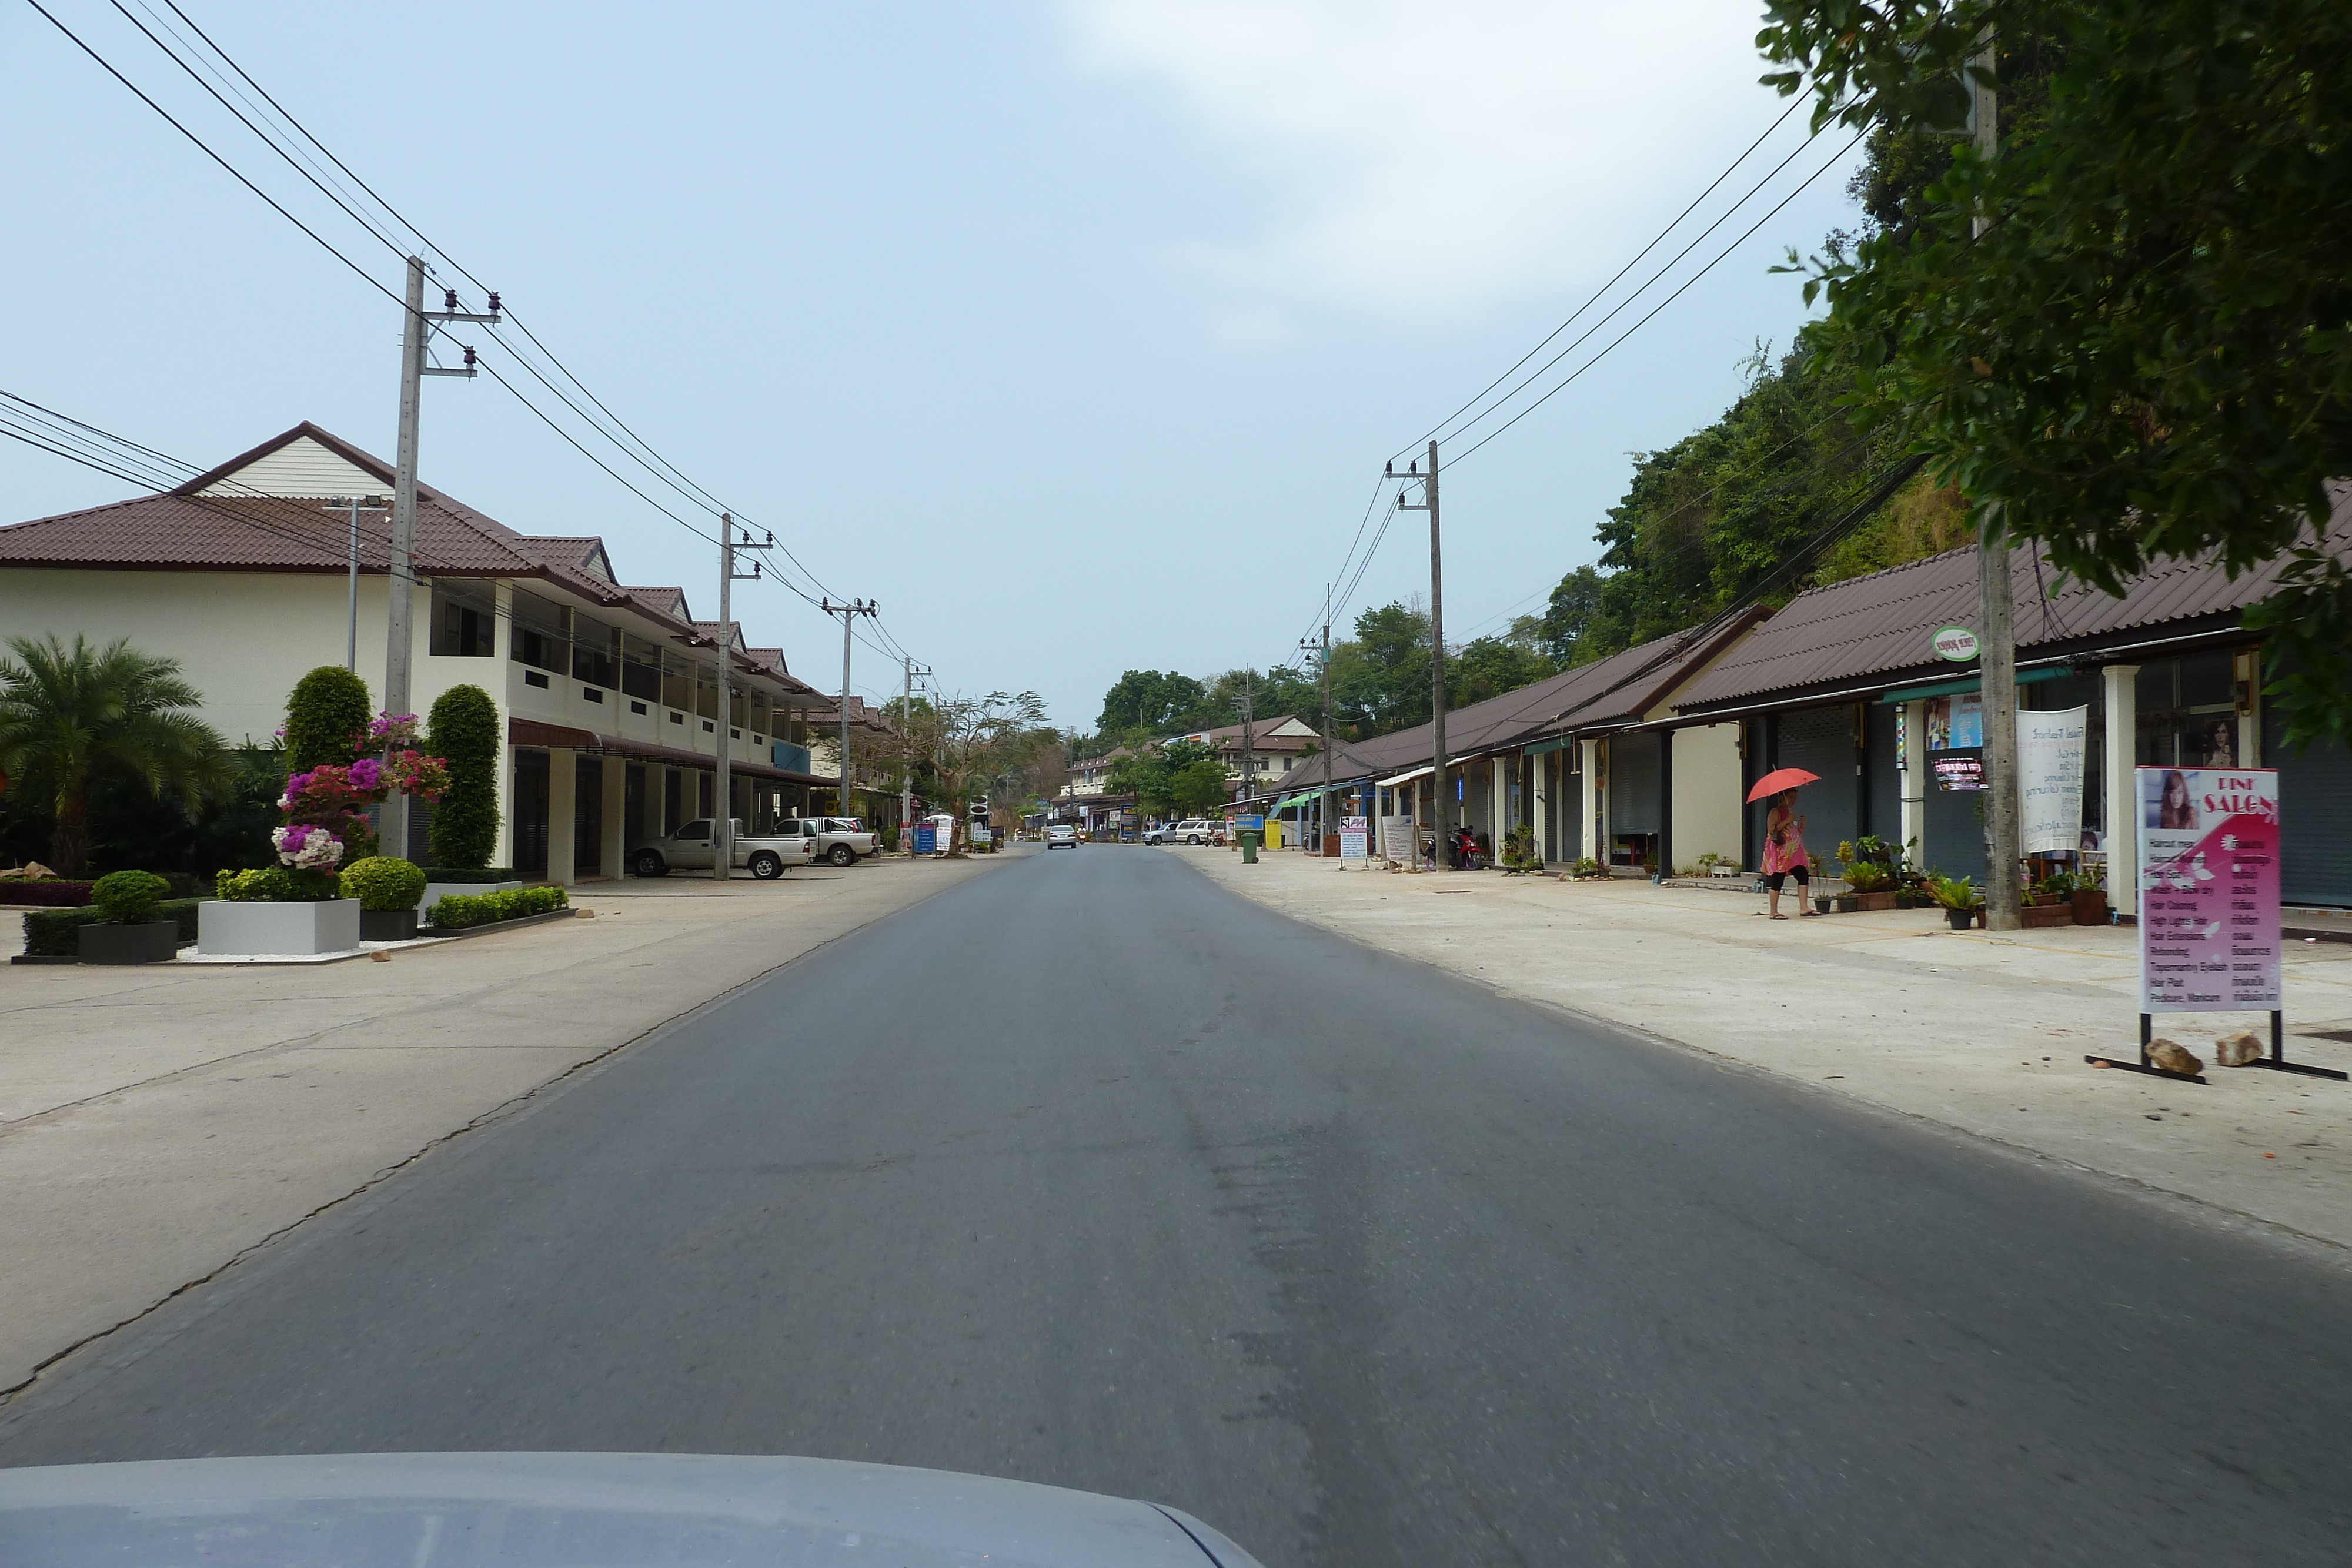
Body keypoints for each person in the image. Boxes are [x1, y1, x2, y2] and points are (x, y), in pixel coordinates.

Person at [1763, 789, 1817, 918]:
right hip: (1780, 852)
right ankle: (1773, 911)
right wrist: (1787, 820)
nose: (1793, 801)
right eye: (1791, 797)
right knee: (1778, 879)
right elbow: (1772, 831)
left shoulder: (1790, 813)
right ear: (1782, 798)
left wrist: (1802, 826)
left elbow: (1792, 833)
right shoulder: (1775, 812)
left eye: (1795, 798)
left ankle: (1804, 908)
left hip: (1793, 852)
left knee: (1803, 876)